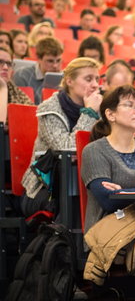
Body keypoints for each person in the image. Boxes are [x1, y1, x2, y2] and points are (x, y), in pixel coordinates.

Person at [21, 57, 103, 217]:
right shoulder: (49, 109)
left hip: (83, 184)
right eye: (88, 79)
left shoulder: (100, 109)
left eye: (97, 79)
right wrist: (90, 113)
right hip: (46, 188)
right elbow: (67, 149)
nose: (95, 84)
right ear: (69, 81)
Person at [81, 84, 135, 233]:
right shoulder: (94, 150)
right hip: (110, 235)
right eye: (129, 105)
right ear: (110, 114)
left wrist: (126, 193)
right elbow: (109, 200)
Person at [13, 36, 63, 105]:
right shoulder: (22, 76)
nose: (55, 65)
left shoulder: (66, 78)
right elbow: (22, 107)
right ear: (39, 59)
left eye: (58, 60)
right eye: (50, 61)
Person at [0, 46, 34, 123]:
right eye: (0, 62)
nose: (5, 67)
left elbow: (32, 120)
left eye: (9, 64)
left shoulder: (17, 93)